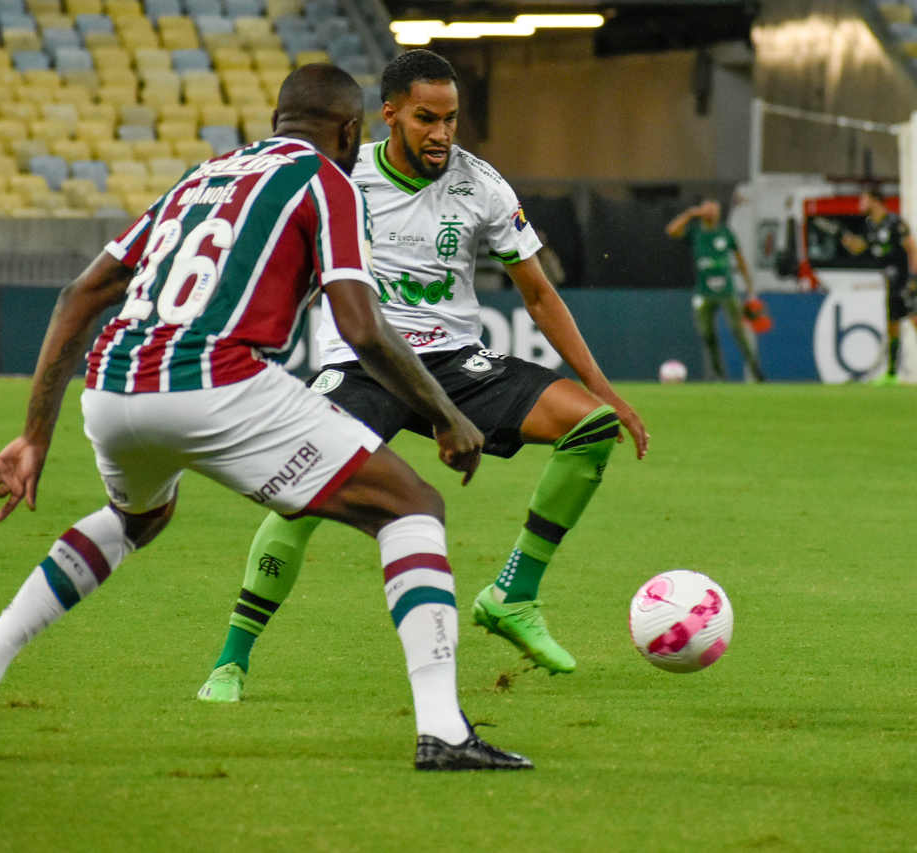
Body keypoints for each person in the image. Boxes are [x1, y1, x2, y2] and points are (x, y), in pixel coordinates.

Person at [0, 63, 534, 771]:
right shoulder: (328, 181)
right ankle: (444, 731)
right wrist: (446, 415)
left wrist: (35, 435)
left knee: (137, 517)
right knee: (411, 506)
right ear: (350, 130)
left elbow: (77, 296)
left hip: (116, 384)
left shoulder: (204, 175)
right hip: (219, 379)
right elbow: (362, 327)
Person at [196, 49, 649, 705]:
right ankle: (231, 660)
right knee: (298, 495)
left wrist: (606, 390)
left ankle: (513, 595)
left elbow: (541, 298)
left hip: (455, 363)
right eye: (426, 119)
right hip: (364, 362)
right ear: (389, 116)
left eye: (452, 119)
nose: (442, 134)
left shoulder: (481, 185)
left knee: (591, 427)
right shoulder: (339, 182)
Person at [665, 198, 765, 381]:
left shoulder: (725, 232)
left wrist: (749, 287)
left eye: (715, 210)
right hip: (704, 292)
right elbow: (671, 231)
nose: (713, 213)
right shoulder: (695, 232)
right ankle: (719, 375)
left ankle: (756, 371)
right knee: (707, 334)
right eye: (709, 209)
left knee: (738, 331)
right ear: (702, 212)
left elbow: (740, 258)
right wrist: (689, 214)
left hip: (727, 291)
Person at [838, 184, 917, 385]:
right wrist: (848, 242)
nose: (860, 204)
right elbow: (860, 248)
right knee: (893, 326)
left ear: (874, 200)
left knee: (915, 321)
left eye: (863, 199)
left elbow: (912, 248)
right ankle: (891, 374)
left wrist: (914, 278)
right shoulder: (870, 225)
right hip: (891, 283)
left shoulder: (894, 222)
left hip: (906, 282)